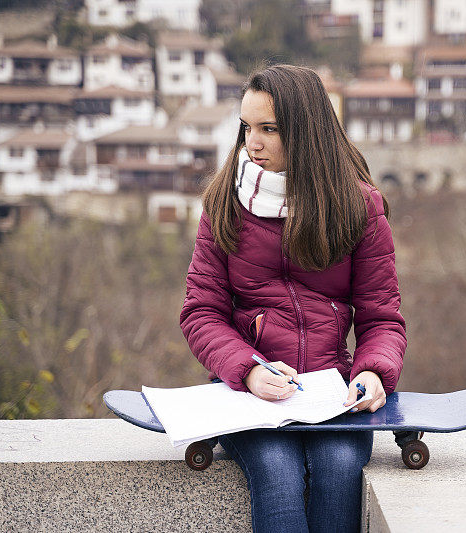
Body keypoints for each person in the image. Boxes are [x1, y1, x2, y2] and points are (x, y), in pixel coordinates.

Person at [179, 63, 406, 533]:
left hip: (333, 392)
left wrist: (372, 370)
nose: (252, 143)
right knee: (278, 476)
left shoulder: (358, 207)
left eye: (269, 129)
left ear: (305, 133)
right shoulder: (224, 202)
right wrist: (249, 369)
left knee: (339, 470)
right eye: (246, 127)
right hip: (249, 393)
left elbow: (382, 317)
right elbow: (201, 312)